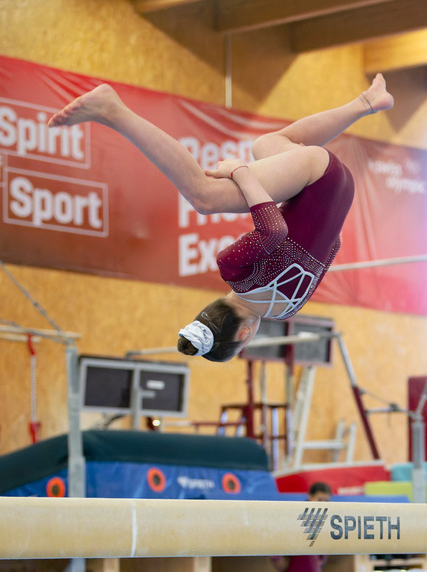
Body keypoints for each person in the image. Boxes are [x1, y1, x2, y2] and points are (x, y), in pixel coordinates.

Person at [49, 75, 394, 362]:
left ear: (244, 335)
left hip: (337, 188)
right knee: (205, 196)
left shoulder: (288, 309)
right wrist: (241, 173)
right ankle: (112, 110)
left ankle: (368, 102)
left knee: (271, 144)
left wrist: (305, 205)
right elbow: (274, 231)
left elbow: (333, 244)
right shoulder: (236, 274)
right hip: (316, 176)